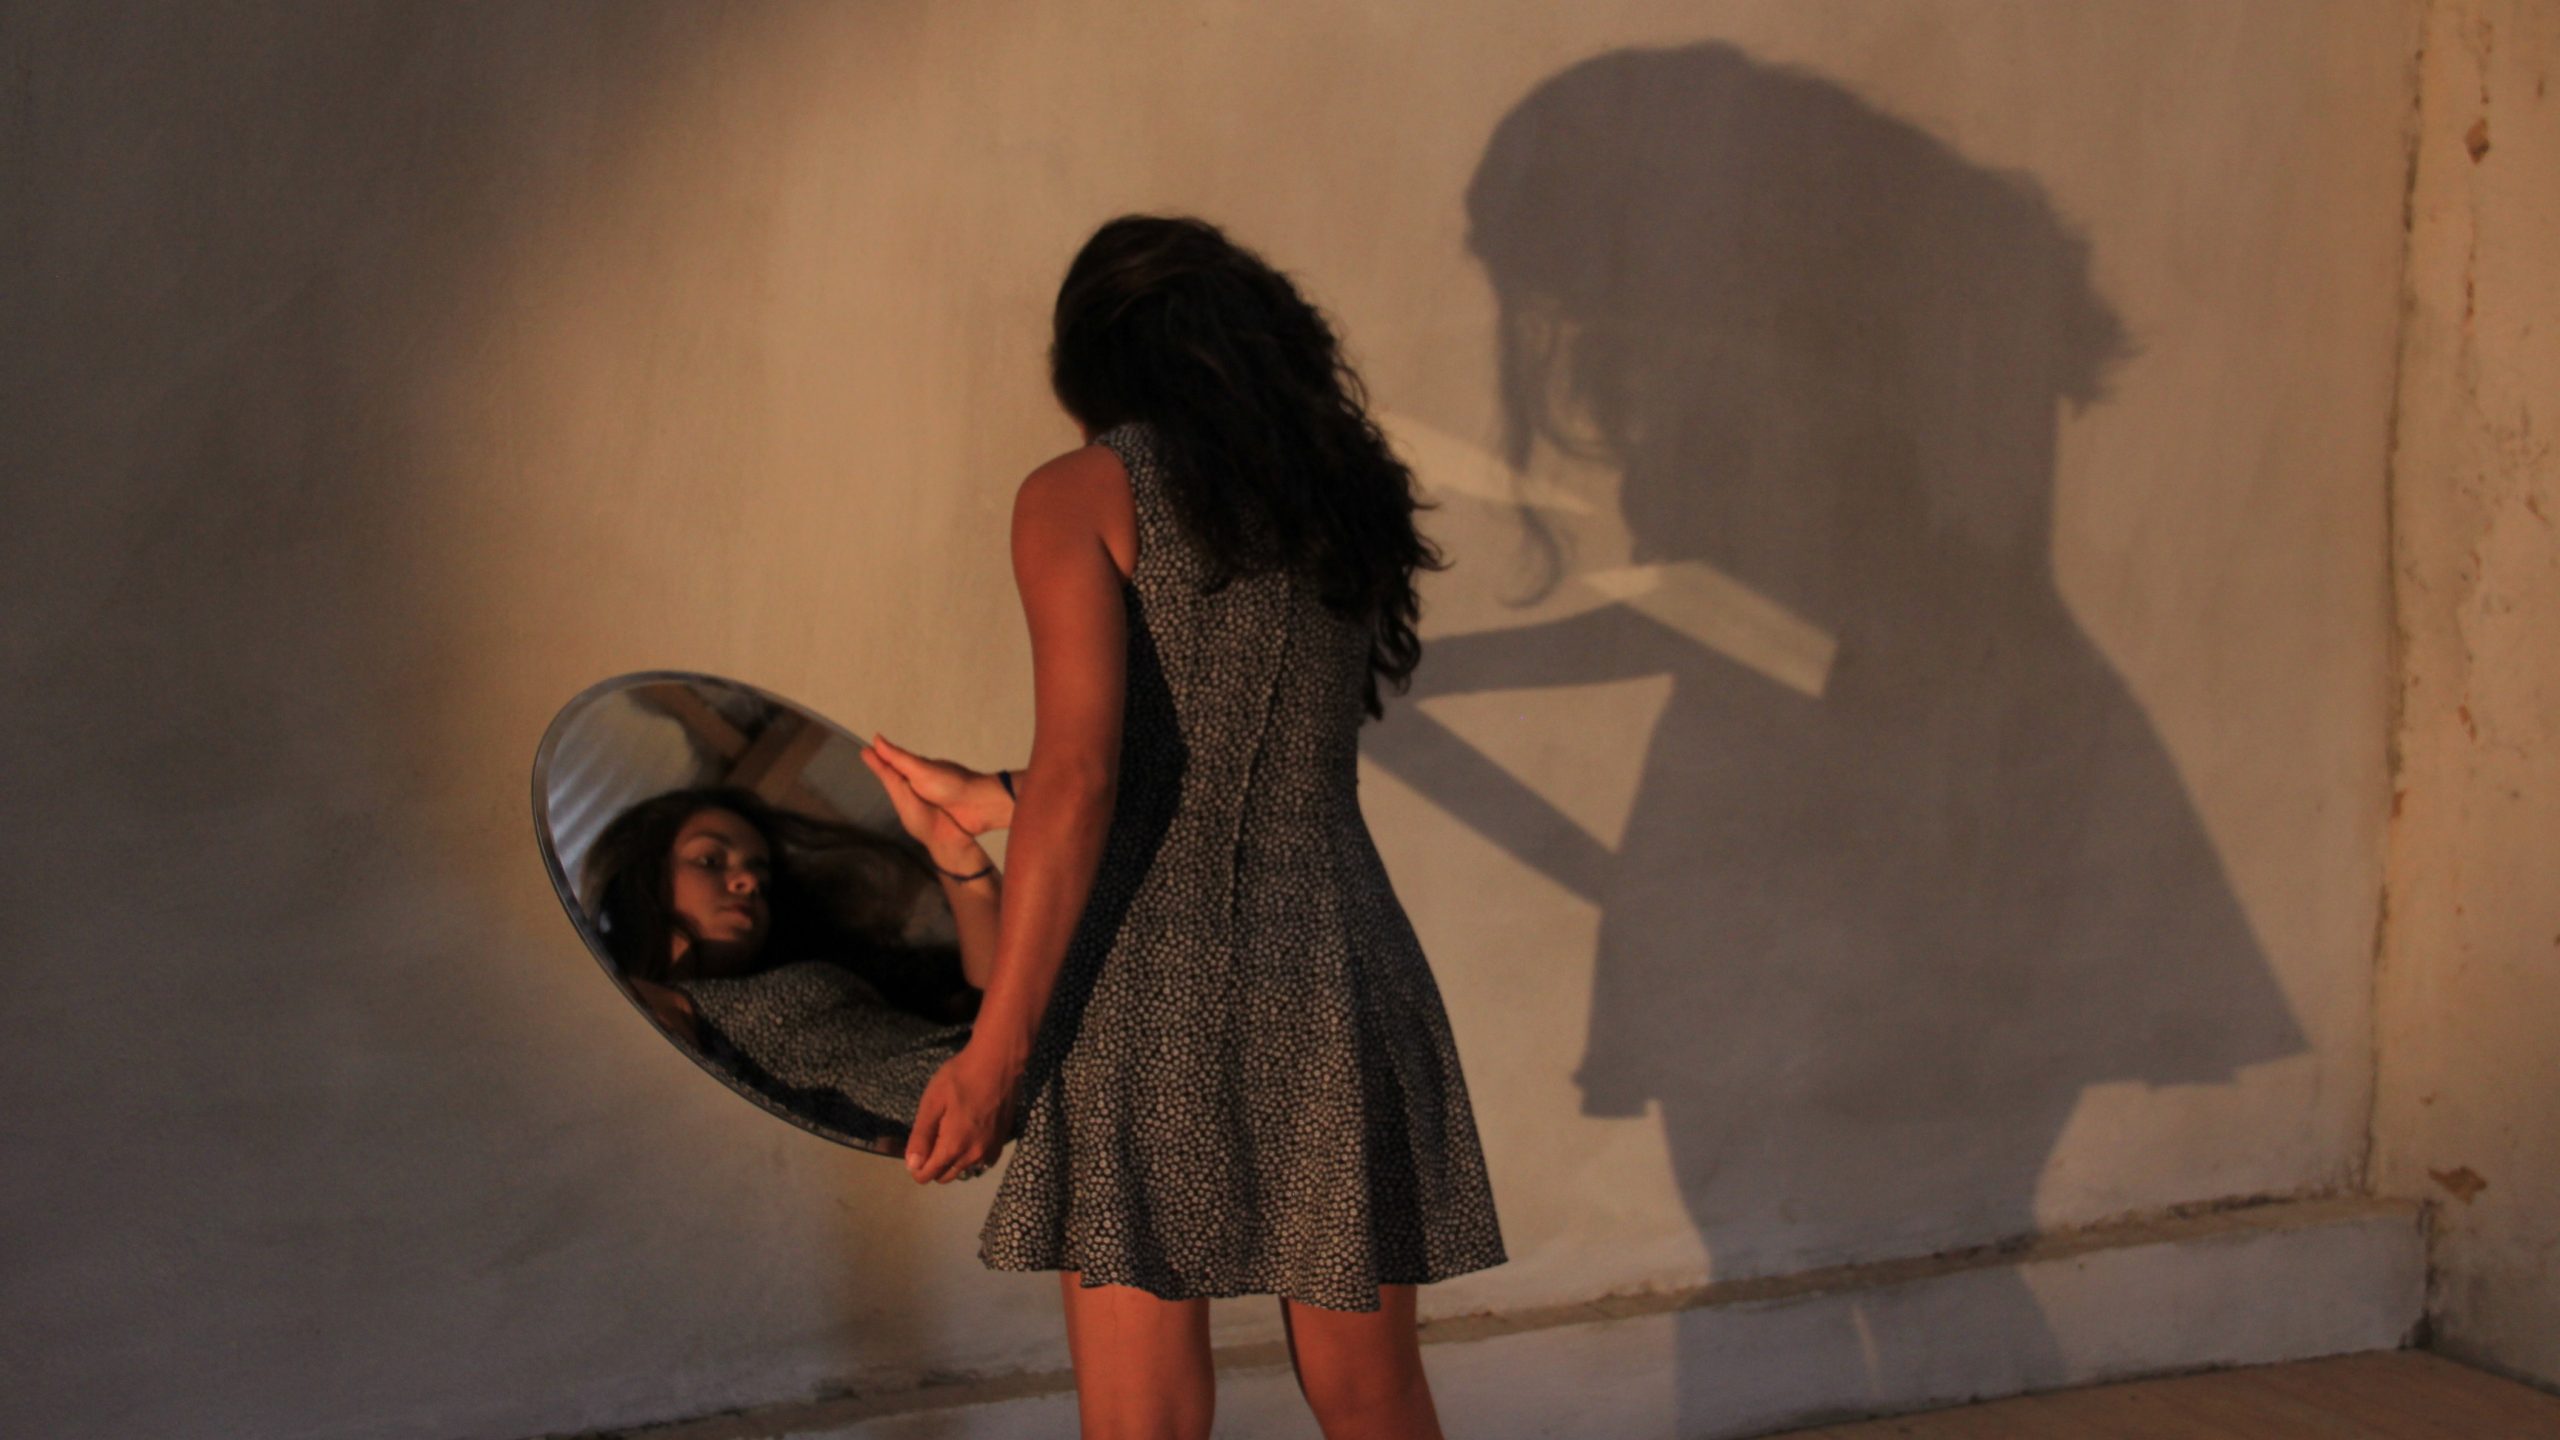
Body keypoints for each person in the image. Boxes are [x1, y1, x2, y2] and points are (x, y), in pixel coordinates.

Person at [866, 214, 1506, 1440]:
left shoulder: (1079, 491)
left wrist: (995, 1055)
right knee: (1374, 1397)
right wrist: (999, 791)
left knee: (1141, 1419)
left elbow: (1087, 778)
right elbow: (1238, 769)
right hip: (1334, 965)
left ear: (1089, 361)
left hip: (1150, 981)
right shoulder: (1331, 502)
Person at [580, 783, 1002, 1151]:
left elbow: (990, 1005)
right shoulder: (608, 1023)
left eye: (761, 878)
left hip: (1008, 1088)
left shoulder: (820, 969)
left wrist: (955, 853)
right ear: (643, 877)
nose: (747, 882)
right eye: (710, 861)